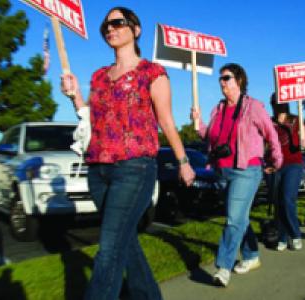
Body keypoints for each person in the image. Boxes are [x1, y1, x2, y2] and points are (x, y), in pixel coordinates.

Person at [60, 7, 195, 299]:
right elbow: (92, 120)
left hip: (134, 169)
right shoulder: (98, 77)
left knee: (108, 248)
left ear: (135, 29)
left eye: (118, 22)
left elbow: (166, 120)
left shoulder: (152, 73)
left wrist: (183, 160)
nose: (110, 28)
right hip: (98, 171)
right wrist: (75, 97)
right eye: (106, 26)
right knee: (125, 241)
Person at [191, 63, 282, 287]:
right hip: (222, 170)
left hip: (246, 169)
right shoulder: (218, 109)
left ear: (239, 80)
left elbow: (271, 134)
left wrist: (276, 159)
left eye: (227, 78)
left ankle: (223, 267)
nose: (222, 82)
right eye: (220, 79)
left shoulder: (253, 107)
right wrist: (198, 123)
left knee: (233, 219)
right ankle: (251, 255)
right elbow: (210, 138)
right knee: (240, 217)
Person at [269, 94, 305, 251]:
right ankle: (283, 237)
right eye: (274, 103)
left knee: (287, 199)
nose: (276, 106)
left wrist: (304, 142)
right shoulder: (270, 122)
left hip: (293, 163)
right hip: (275, 166)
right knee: (278, 203)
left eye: (279, 103)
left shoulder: (296, 120)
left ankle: (295, 233)